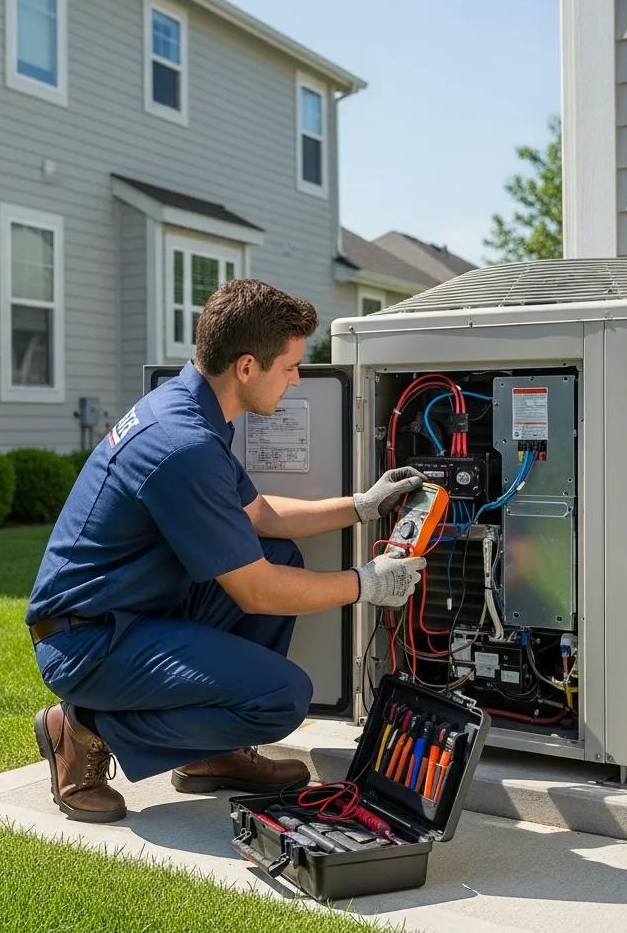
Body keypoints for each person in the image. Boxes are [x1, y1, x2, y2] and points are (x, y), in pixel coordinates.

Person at [26, 279, 426, 823]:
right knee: (283, 698)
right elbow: (256, 592)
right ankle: (80, 729)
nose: (296, 378)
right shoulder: (182, 444)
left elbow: (259, 515)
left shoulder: (192, 411)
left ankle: (211, 753)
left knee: (280, 554)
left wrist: (362, 505)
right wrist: (367, 583)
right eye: (288, 367)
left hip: (130, 614)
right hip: (87, 641)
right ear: (245, 368)